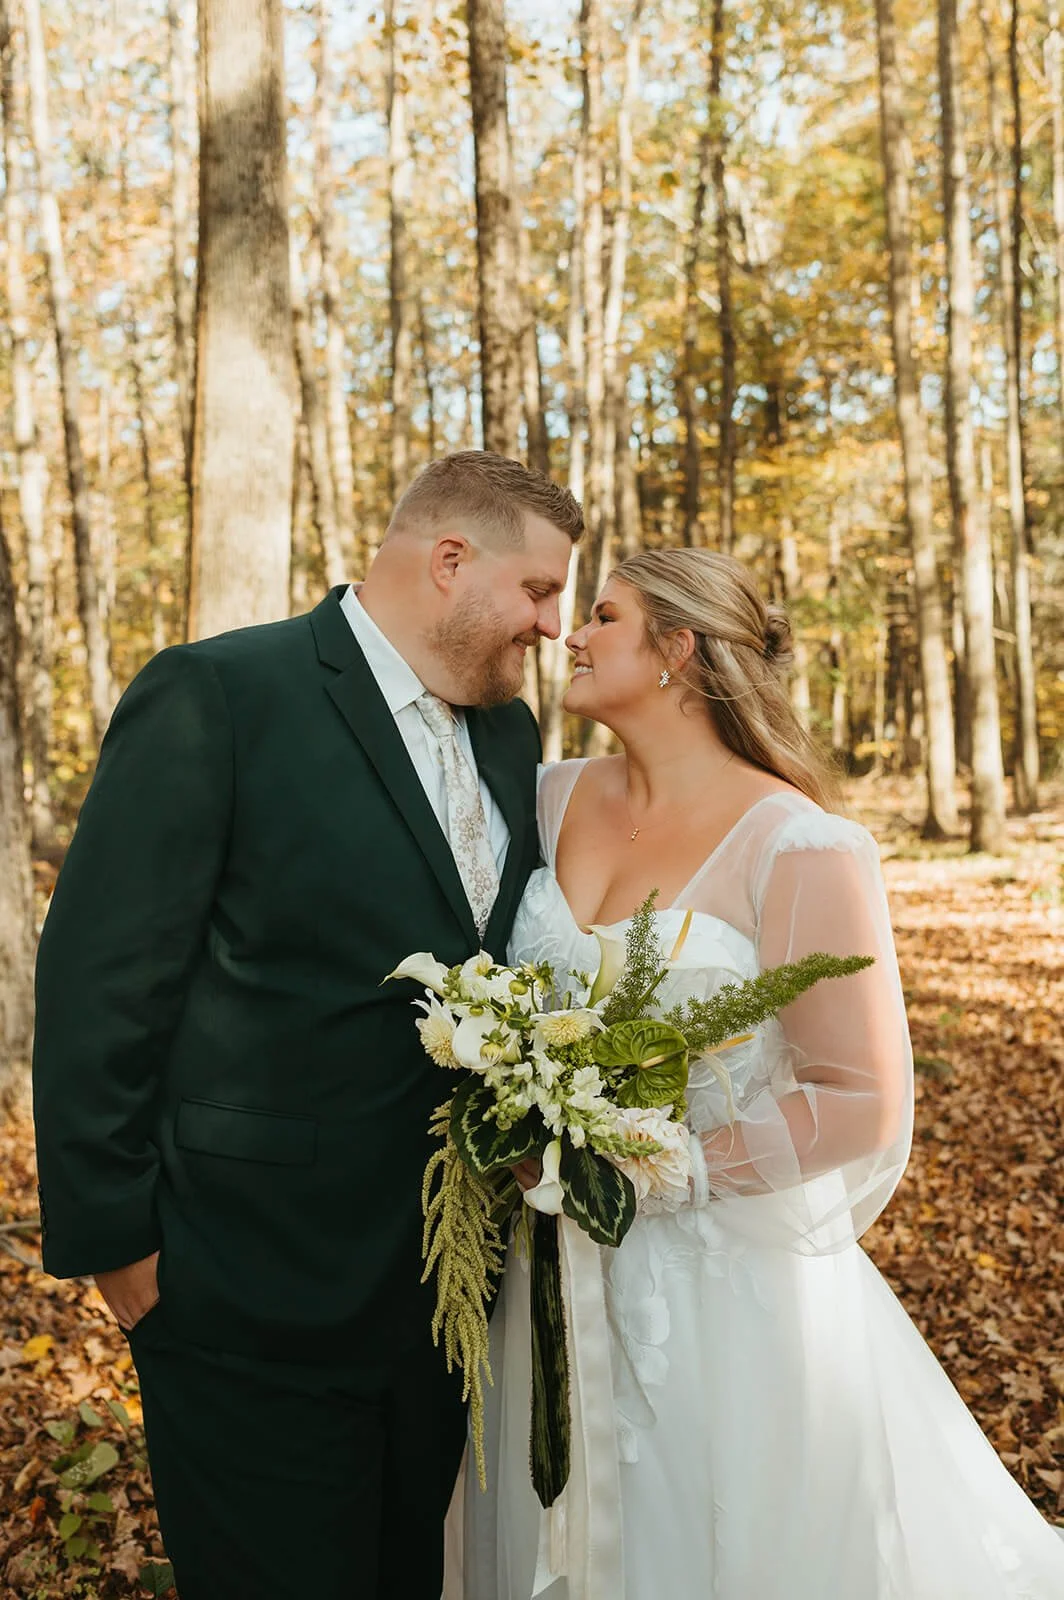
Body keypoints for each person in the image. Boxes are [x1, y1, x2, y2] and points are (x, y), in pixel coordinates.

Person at [457, 547, 1064, 1598]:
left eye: (603, 615)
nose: (573, 634)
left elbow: (859, 1094)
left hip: (719, 1289)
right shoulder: (543, 799)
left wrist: (672, 1166)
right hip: (545, 1269)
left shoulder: (798, 845)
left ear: (675, 651)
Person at [32, 450, 581, 1600]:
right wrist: (116, 1238)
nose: (548, 626)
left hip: (439, 1296)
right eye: (537, 591)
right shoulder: (222, 693)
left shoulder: (506, 737)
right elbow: (101, 978)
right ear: (448, 561)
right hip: (243, 1284)